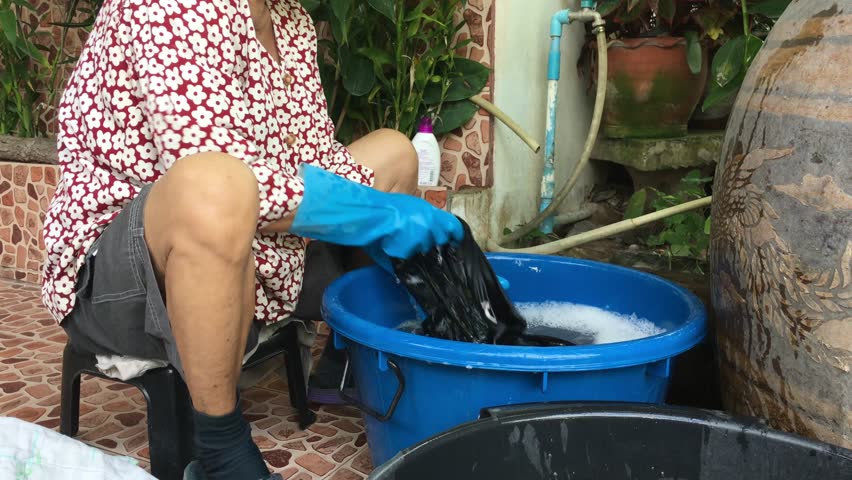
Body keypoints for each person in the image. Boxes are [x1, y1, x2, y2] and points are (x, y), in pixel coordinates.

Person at [41, 0, 463, 478]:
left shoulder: (289, 20)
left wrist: (402, 221)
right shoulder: (171, 5)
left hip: (252, 245)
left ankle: (344, 362)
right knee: (215, 185)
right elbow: (214, 173)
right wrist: (377, 214)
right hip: (126, 276)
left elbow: (315, 158)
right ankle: (219, 450)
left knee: (394, 153)